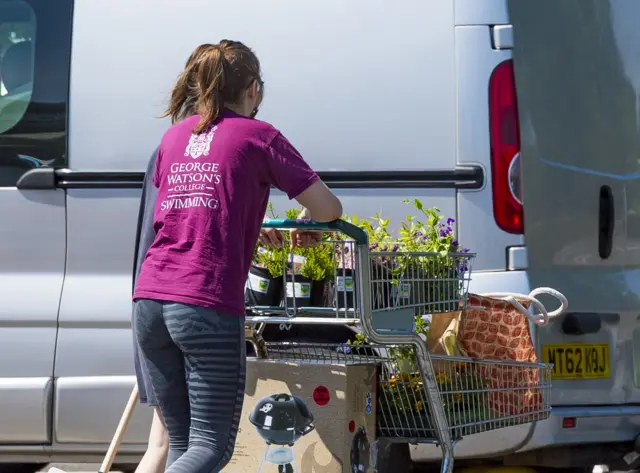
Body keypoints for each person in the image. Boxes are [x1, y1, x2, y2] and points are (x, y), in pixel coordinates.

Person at [132, 39, 342, 473]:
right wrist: (303, 221)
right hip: (204, 300)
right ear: (252, 90)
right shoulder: (260, 136)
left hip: (150, 300)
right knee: (211, 447)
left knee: (185, 444)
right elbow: (329, 209)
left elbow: (192, 212)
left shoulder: (174, 138)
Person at [132, 43, 215, 473]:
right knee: (176, 444)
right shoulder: (191, 145)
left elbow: (152, 235)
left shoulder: (173, 141)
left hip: (153, 299)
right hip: (186, 299)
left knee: (164, 442)